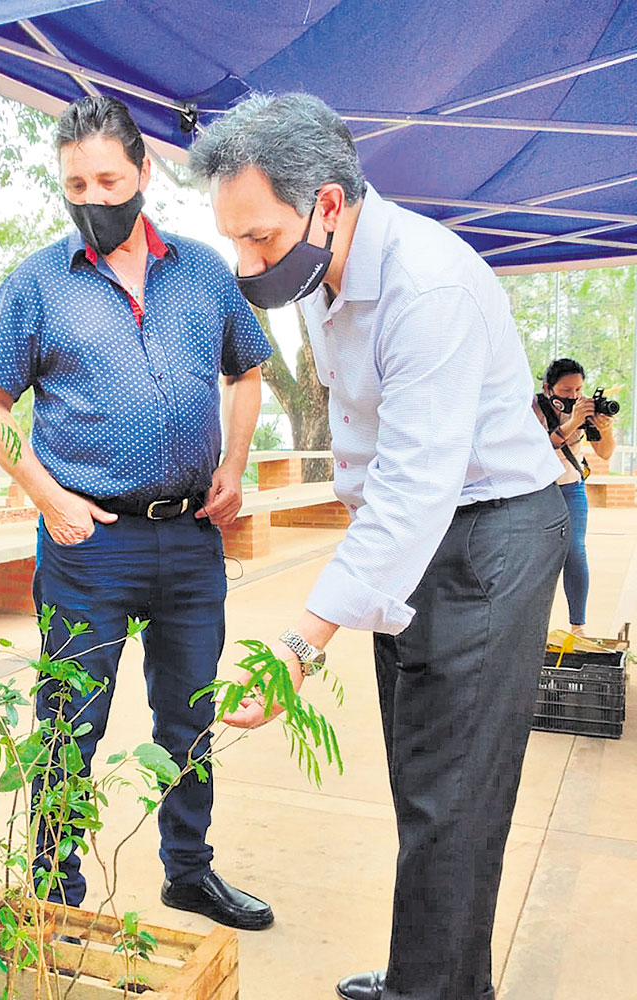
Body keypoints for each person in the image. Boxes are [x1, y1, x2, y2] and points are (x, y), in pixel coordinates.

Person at [188, 93, 569, 1000]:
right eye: (235, 240)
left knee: (453, 800)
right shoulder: (324, 274)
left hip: (488, 537)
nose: (247, 264)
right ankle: (433, 976)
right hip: (421, 537)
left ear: (326, 202)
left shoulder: (426, 285)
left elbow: (414, 489)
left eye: (262, 241)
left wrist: (297, 647)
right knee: (429, 781)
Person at [0, 96, 275, 931]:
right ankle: (53, 894)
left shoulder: (206, 270)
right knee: (70, 721)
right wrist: (48, 495)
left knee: (190, 715)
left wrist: (237, 466)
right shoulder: (35, 283)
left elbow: (247, 370)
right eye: (76, 184)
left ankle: (189, 871)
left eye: (109, 178)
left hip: (190, 537)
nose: (95, 196)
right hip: (88, 544)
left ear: (144, 173)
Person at [533, 358, 616, 636]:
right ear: (548, 388)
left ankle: (577, 627)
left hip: (571, 487)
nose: (574, 396)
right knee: (533, 558)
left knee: (575, 552)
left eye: (578, 390)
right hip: (537, 490)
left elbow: (605, 453)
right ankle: (531, 628)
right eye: (567, 390)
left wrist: (603, 427)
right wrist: (573, 423)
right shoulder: (535, 407)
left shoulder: (584, 409)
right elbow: (540, 448)